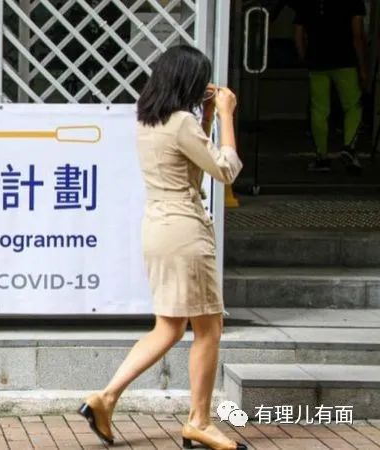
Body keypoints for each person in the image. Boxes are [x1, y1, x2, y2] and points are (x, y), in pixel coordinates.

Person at [77, 45, 247, 450]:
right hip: (185, 231)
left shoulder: (150, 118)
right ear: (188, 82)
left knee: (169, 327)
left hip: (159, 227)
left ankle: (105, 398)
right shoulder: (181, 122)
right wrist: (226, 115)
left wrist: (205, 117)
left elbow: (187, 161)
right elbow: (224, 171)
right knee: (209, 328)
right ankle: (199, 421)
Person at [293, 0, 367, 172]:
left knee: (319, 109)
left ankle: (321, 156)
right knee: (353, 105)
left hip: (317, 61)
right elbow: (357, 35)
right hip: (345, 61)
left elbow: (298, 33)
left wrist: (304, 56)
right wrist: (363, 66)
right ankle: (349, 147)